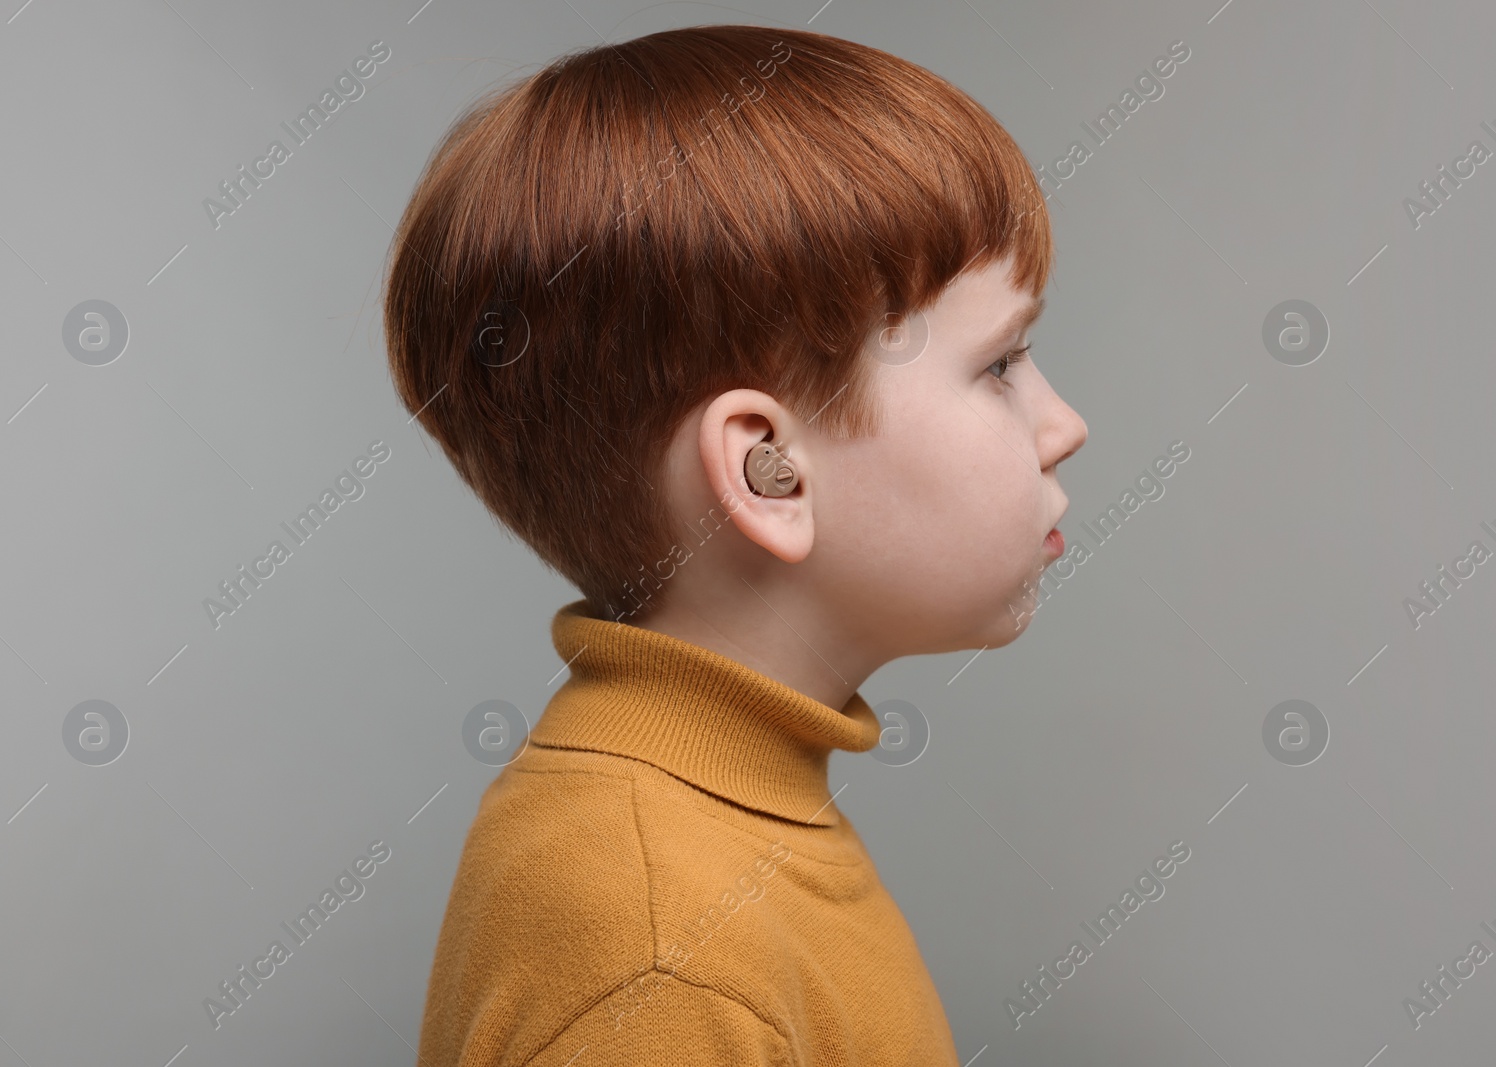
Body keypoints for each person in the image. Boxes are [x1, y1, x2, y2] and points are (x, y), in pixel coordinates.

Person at [384, 23, 1087, 1065]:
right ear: (771, 470)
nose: (1062, 422)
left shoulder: (716, 826)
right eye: (1000, 364)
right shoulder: (660, 954)